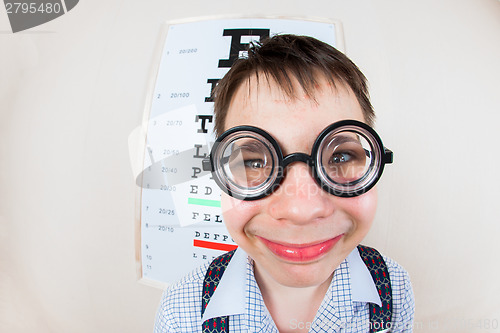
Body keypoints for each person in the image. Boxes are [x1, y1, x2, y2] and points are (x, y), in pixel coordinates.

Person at [154, 34, 414, 332]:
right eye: (254, 162)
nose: (300, 210)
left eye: (340, 157)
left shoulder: (394, 287)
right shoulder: (180, 311)